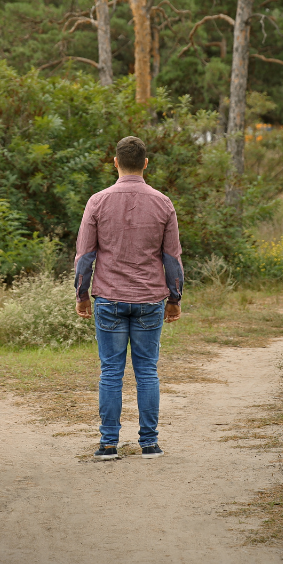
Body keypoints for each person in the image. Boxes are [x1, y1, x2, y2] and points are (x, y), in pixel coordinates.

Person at [74, 136, 183, 461]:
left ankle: (108, 444)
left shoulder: (97, 201)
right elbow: (172, 257)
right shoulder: (163, 203)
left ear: (115, 162)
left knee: (111, 371)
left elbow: (85, 255)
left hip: (109, 297)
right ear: (146, 163)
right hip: (150, 299)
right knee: (147, 370)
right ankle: (149, 443)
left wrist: (81, 294)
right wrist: (174, 298)